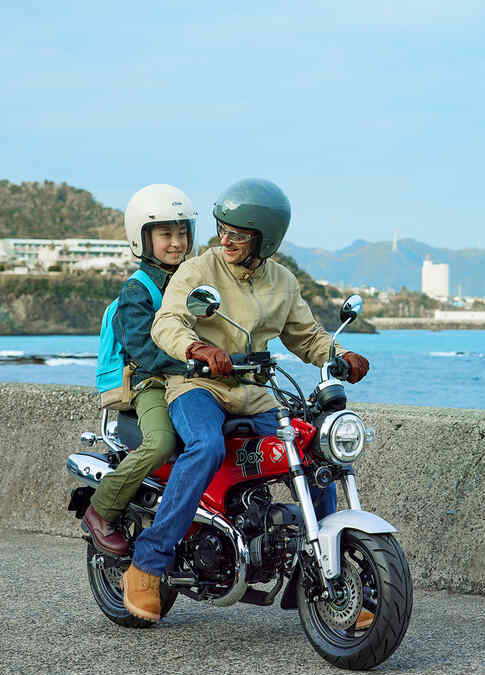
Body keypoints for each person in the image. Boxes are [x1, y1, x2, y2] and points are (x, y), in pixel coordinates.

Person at [121, 178, 370, 621]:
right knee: (206, 446)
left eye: (239, 233)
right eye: (222, 229)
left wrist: (339, 354)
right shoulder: (197, 271)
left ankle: (319, 574)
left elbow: (305, 337)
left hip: (255, 396)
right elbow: (167, 322)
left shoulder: (283, 282)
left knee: (314, 450)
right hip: (198, 387)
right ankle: (148, 563)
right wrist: (197, 349)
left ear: (265, 238)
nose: (226, 240)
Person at [82, 184, 195, 557]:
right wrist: (192, 363)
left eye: (182, 232)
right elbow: (143, 350)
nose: (176, 242)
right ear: (142, 239)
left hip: (192, 379)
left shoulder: (192, 282)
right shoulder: (138, 290)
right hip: (150, 382)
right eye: (165, 234)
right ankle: (101, 510)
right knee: (162, 442)